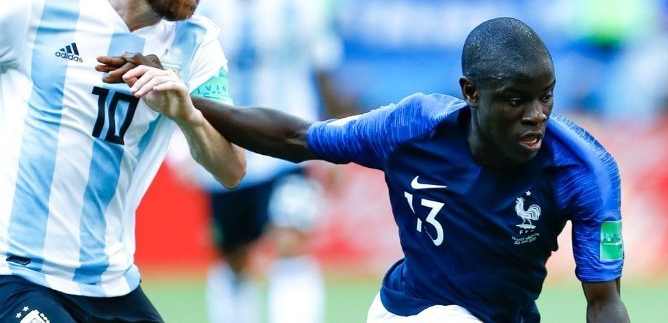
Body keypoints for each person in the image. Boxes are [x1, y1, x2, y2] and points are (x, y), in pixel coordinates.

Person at [102, 17, 630, 322]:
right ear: (471, 93)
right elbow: (296, 138)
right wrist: (186, 99)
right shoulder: (413, 127)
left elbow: (604, 301)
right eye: (516, 100)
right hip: (412, 312)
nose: (537, 114)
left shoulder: (584, 171)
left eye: (546, 97)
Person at [0, 0, 246, 322]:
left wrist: (187, 115)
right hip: (16, 274)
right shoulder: (36, 5)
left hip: (113, 283)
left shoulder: (197, 44)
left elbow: (232, 169)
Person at [167, 0, 351, 323]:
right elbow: (181, 74)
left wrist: (336, 144)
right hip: (225, 148)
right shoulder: (204, 4)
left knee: (290, 241)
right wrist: (181, 144)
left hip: (287, 142)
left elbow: (323, 68)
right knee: (234, 256)